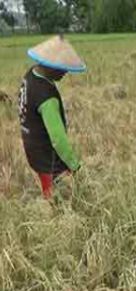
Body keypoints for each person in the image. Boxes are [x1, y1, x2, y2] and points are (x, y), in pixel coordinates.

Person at [18, 35, 86, 199]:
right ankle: (52, 214)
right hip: (47, 155)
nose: (66, 71)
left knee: (46, 182)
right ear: (50, 65)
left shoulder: (31, 75)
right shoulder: (46, 97)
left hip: (32, 147)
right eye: (62, 67)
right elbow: (57, 138)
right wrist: (74, 165)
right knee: (58, 196)